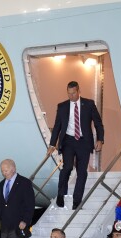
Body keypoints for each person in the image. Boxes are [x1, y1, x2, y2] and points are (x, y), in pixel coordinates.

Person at [47, 81, 105, 210]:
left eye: (73, 93)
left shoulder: (89, 104)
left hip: (84, 142)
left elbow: (98, 123)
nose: (71, 96)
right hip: (68, 141)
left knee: (81, 172)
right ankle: (61, 195)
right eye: (69, 93)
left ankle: (77, 201)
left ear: (79, 91)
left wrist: (100, 139)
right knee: (67, 167)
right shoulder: (62, 106)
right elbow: (57, 127)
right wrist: (52, 144)